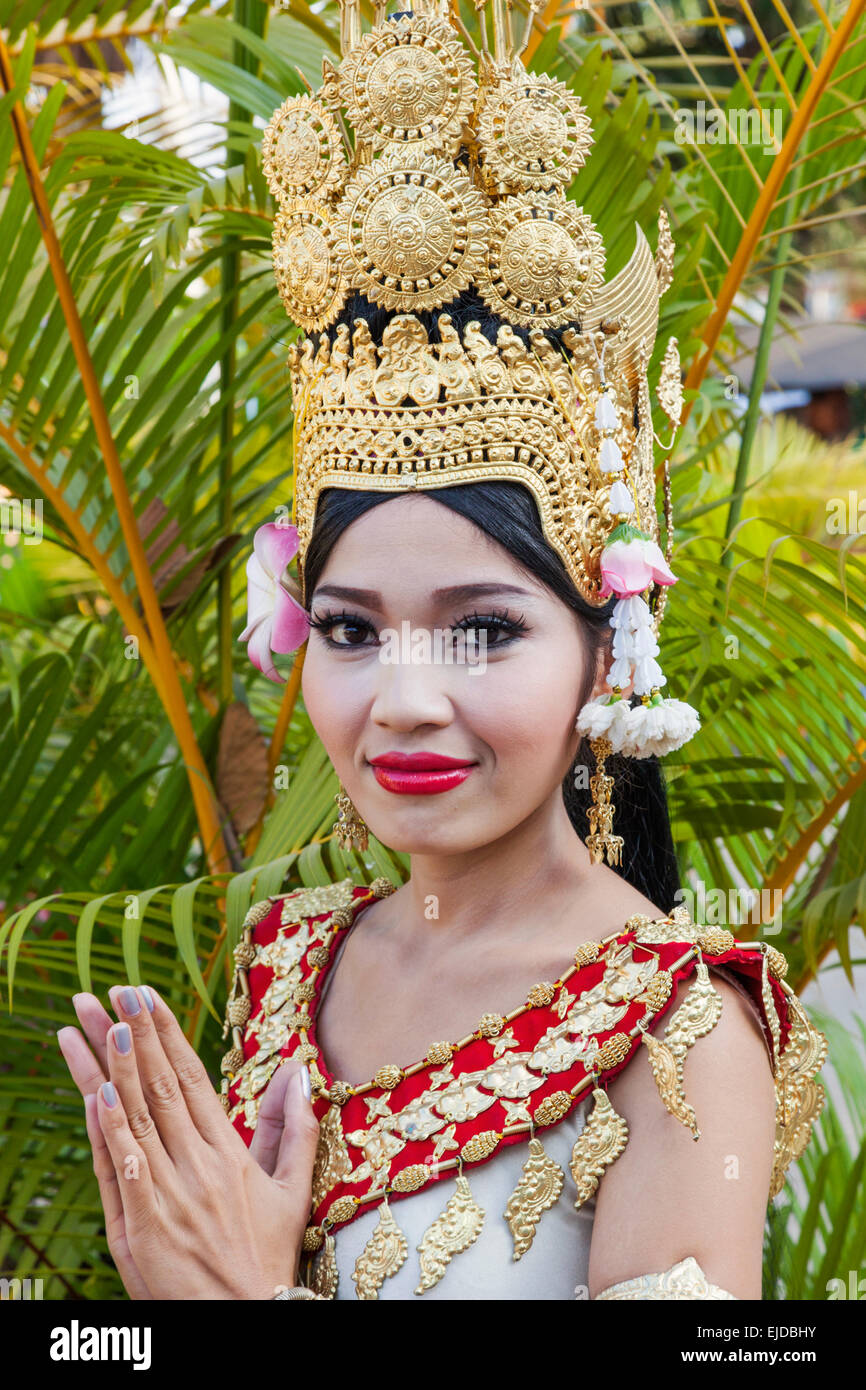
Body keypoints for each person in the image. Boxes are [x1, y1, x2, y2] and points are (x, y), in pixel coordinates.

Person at [57, 0, 826, 1301]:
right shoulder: (290, 960)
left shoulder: (682, 1031)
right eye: (351, 629)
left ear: (605, 652)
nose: (401, 698)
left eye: (481, 628)